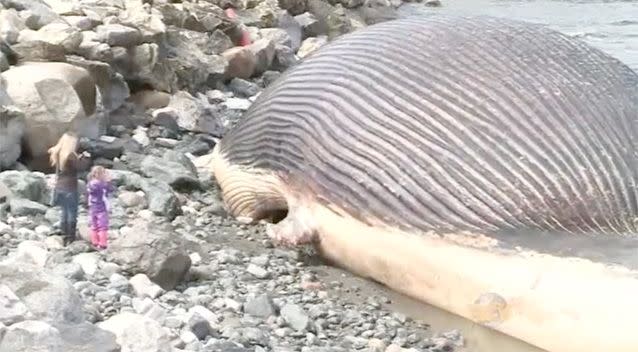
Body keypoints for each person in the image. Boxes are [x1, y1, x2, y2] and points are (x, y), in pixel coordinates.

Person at [48, 132, 91, 245]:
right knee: (72, 212)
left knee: (64, 212)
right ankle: (70, 238)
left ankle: (64, 235)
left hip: (59, 186)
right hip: (70, 187)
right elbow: (81, 167)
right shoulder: (70, 155)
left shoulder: (57, 153)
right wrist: (85, 158)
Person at [86, 165, 114, 249]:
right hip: (101, 206)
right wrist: (109, 181)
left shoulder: (90, 183)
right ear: (100, 174)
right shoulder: (102, 184)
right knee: (103, 226)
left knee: (94, 225)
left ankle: (94, 241)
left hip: (92, 206)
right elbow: (110, 189)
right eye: (104, 174)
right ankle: (102, 243)